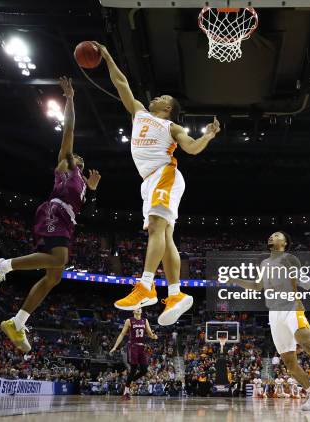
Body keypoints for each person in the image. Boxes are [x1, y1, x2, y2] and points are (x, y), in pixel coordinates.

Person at [92, 42, 221, 325]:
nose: (157, 96)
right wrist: (108, 56)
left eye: (163, 96)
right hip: (150, 181)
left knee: (156, 228)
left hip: (165, 174)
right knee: (165, 236)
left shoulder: (171, 127)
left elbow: (192, 148)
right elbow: (120, 82)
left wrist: (208, 135)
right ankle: (175, 293)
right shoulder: (139, 112)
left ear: (168, 107)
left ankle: (146, 285)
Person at [0, 77, 101, 352]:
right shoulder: (66, 165)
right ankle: (0, 265)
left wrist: (93, 191)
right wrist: (70, 99)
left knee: (55, 276)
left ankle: (17, 321)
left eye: (82, 163)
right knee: (59, 259)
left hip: (68, 220)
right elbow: (69, 131)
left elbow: (89, 214)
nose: (79, 162)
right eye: (77, 160)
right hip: (54, 209)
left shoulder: (83, 183)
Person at [231, 231, 310, 411]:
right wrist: (233, 279)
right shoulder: (264, 264)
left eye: (276, 235)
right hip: (274, 313)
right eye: (271, 235)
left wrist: (297, 298)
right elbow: (256, 286)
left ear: (284, 243)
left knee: (307, 343)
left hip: (291, 306)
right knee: (289, 363)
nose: (271, 236)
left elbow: (302, 281)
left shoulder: (289, 258)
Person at [109, 308, 158, 400]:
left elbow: (150, 334)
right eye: (137, 308)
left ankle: (129, 382)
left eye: (140, 308)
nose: (139, 309)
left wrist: (154, 336)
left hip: (142, 347)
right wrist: (115, 347)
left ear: (142, 311)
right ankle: (126, 392)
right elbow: (122, 334)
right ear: (133, 311)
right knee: (134, 368)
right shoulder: (129, 320)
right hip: (132, 346)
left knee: (144, 370)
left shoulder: (145, 320)